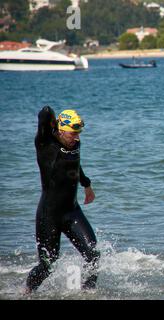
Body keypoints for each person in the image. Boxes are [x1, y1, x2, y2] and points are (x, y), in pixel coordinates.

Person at [25, 106, 100, 293]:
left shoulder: (75, 145)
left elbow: (76, 164)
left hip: (72, 211)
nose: (78, 137)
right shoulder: (44, 144)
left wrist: (86, 185)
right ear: (60, 129)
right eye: (73, 133)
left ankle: (88, 292)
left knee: (93, 255)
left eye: (79, 133)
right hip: (49, 215)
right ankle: (25, 292)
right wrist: (52, 120)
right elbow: (45, 112)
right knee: (48, 265)